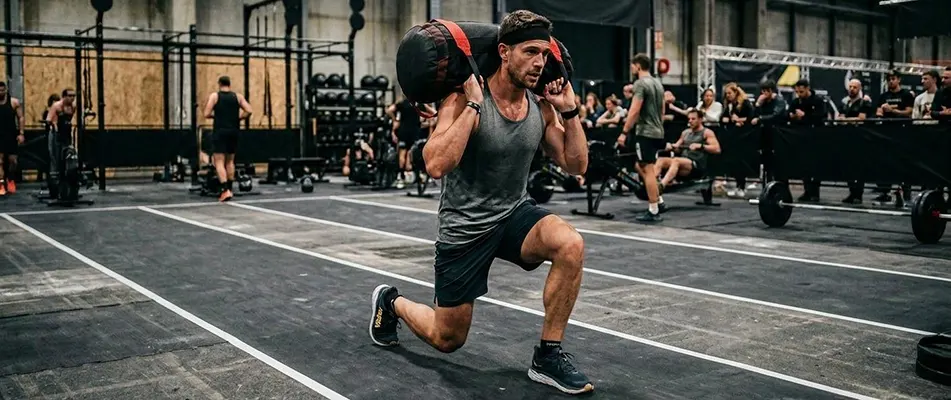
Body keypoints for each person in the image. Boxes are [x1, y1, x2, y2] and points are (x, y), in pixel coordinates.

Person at [369, 10, 593, 395]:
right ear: (504, 52)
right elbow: (436, 164)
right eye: (529, 52)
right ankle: (392, 302)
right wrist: (472, 105)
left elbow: (577, 164)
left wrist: (569, 109)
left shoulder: (539, 106)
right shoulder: (463, 98)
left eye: (543, 53)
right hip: (466, 227)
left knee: (570, 243)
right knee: (447, 338)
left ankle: (548, 356)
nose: (539, 62)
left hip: (514, 214)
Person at [618, 53, 667, 222]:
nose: (632, 69)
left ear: (638, 66)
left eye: (632, 66)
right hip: (657, 131)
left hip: (645, 132)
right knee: (641, 166)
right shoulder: (658, 84)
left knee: (648, 170)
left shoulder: (639, 84)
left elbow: (635, 110)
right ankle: (658, 200)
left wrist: (624, 132)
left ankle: (653, 210)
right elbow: (662, 111)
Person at [202, 76, 253, 202]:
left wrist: (217, 115)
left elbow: (206, 113)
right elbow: (249, 110)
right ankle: (230, 188)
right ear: (229, 84)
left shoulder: (215, 96)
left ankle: (225, 190)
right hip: (233, 131)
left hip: (220, 131)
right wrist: (238, 118)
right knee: (230, 162)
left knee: (219, 162)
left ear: (219, 84)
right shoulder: (238, 96)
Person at [656, 109, 721, 187]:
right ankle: (651, 183)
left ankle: (662, 185)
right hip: (682, 163)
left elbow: (717, 149)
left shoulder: (707, 132)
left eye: (693, 119)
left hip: (696, 165)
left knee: (676, 160)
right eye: (689, 119)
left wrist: (701, 146)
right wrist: (672, 147)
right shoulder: (685, 132)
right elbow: (677, 147)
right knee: (661, 160)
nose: (690, 121)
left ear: (700, 119)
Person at [387, 95, 436, 189]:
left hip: (403, 131)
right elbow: (434, 113)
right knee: (414, 153)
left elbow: (389, 110)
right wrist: (427, 120)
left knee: (402, 154)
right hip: (415, 132)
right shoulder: (419, 104)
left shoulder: (402, 103)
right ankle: (418, 175)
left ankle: (401, 178)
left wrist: (395, 120)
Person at [46, 89, 78, 190]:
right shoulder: (56, 106)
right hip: (55, 134)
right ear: (64, 96)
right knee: (55, 158)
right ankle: (54, 185)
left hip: (66, 134)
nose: (72, 98)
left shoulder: (73, 107)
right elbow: (48, 120)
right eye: (70, 96)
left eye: (74, 96)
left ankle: (67, 182)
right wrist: (54, 125)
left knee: (68, 155)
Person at [0, 82, 24, 196]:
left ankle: (10, 180)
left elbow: (21, 117)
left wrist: (21, 133)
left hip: (10, 135)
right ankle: (0, 184)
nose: (1, 92)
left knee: (13, 161)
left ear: (6, 90)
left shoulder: (14, 102)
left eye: (2, 90)